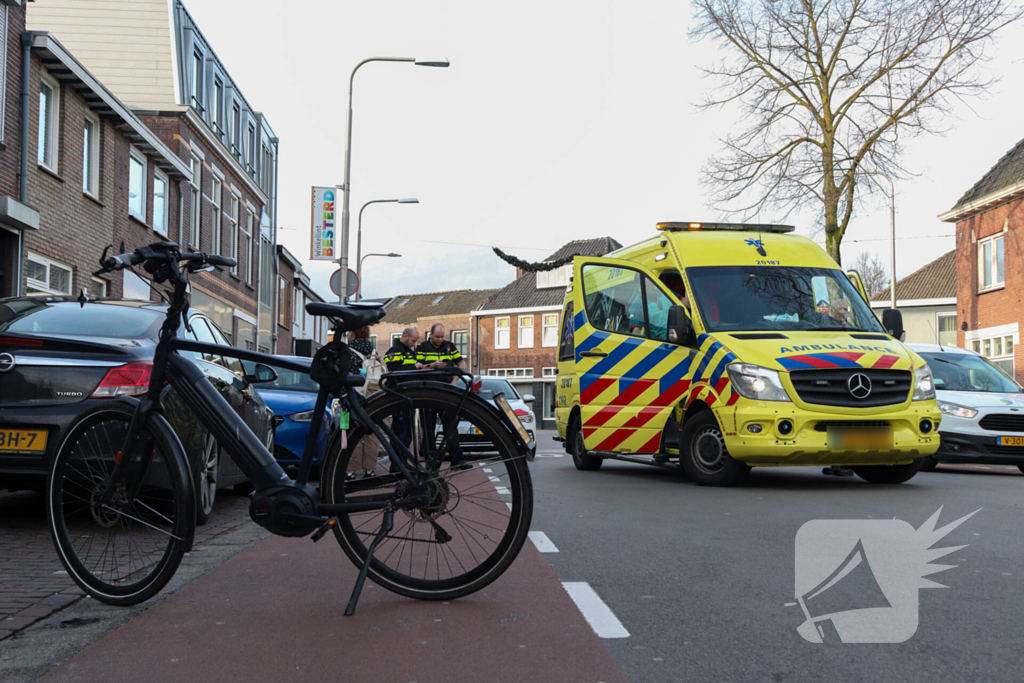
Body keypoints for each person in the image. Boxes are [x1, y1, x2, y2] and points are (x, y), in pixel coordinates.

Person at [416, 323, 471, 471]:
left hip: (446, 391)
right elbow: (417, 367)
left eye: (442, 336)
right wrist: (432, 366)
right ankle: (431, 463)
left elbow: (462, 364)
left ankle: (457, 460)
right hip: (428, 391)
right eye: (437, 336)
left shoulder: (449, 347)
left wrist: (454, 382)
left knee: (451, 426)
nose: (440, 339)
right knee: (428, 428)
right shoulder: (422, 347)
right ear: (431, 335)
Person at [382, 327, 423, 460]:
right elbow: (393, 371)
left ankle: (403, 463)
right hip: (399, 395)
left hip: (408, 396)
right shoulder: (394, 351)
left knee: (407, 434)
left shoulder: (409, 352)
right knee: (400, 432)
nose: (414, 344)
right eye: (413, 341)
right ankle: (397, 465)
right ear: (405, 337)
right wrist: (414, 367)